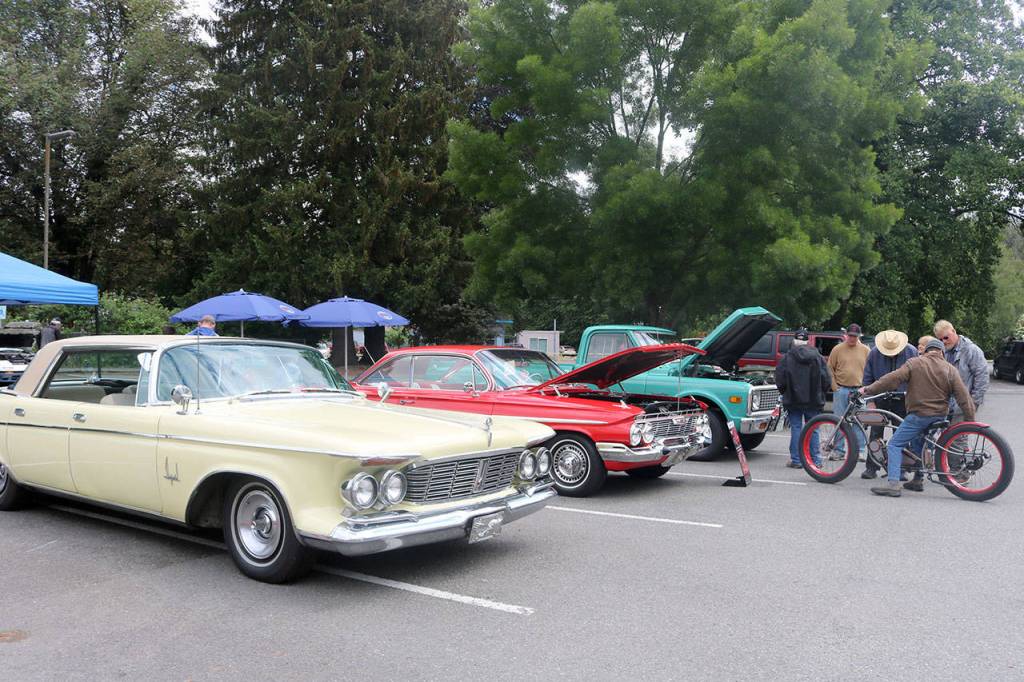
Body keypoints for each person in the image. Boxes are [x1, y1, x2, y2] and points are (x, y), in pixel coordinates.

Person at [859, 338, 975, 497]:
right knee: (919, 445)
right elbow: (964, 397)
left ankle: (893, 485)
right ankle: (917, 480)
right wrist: (970, 422)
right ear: (941, 352)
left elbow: (892, 379)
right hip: (940, 416)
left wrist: (868, 389)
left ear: (926, 351)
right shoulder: (950, 369)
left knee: (894, 444)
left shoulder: (914, 363)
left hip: (919, 415)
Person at [860, 330, 918, 479]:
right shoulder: (874, 353)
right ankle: (872, 467)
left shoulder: (912, 352)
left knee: (901, 435)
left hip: (903, 400)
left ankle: (901, 470)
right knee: (875, 434)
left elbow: (918, 379)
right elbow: (867, 378)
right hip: (880, 398)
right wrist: (871, 401)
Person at [775, 329, 832, 468]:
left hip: (793, 399)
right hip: (813, 399)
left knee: (796, 428)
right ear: (807, 342)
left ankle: (796, 460)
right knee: (814, 428)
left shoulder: (787, 358)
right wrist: (821, 393)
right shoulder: (817, 357)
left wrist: (785, 393)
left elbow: (780, 380)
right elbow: (826, 379)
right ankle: (815, 460)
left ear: (794, 341)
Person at [933, 320, 988, 423]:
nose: (944, 341)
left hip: (964, 404)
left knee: (959, 437)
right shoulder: (943, 351)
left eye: (946, 337)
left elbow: (982, 377)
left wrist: (973, 402)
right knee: (946, 437)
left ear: (953, 331)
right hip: (946, 406)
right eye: (940, 339)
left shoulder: (971, 350)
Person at [827, 323, 870, 456]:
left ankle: (859, 451)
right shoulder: (837, 349)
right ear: (846, 335)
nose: (852, 338)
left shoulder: (865, 350)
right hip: (842, 389)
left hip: (859, 391)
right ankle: (839, 450)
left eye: (855, 336)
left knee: (859, 421)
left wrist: (866, 388)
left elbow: (870, 370)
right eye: (850, 336)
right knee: (840, 420)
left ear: (859, 336)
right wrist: (835, 387)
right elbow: (829, 368)